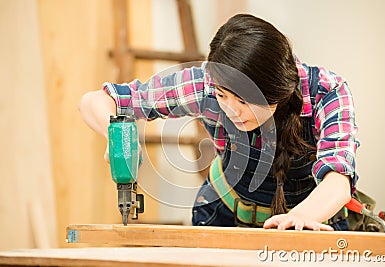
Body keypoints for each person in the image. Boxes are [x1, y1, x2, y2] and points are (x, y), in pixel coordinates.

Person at [79, 14, 359, 231]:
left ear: (277, 91)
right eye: (223, 96)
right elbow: (95, 101)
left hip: (313, 219)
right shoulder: (204, 83)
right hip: (224, 213)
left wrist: (300, 218)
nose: (232, 110)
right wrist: (116, 136)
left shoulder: (326, 90)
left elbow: (338, 179)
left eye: (244, 100)